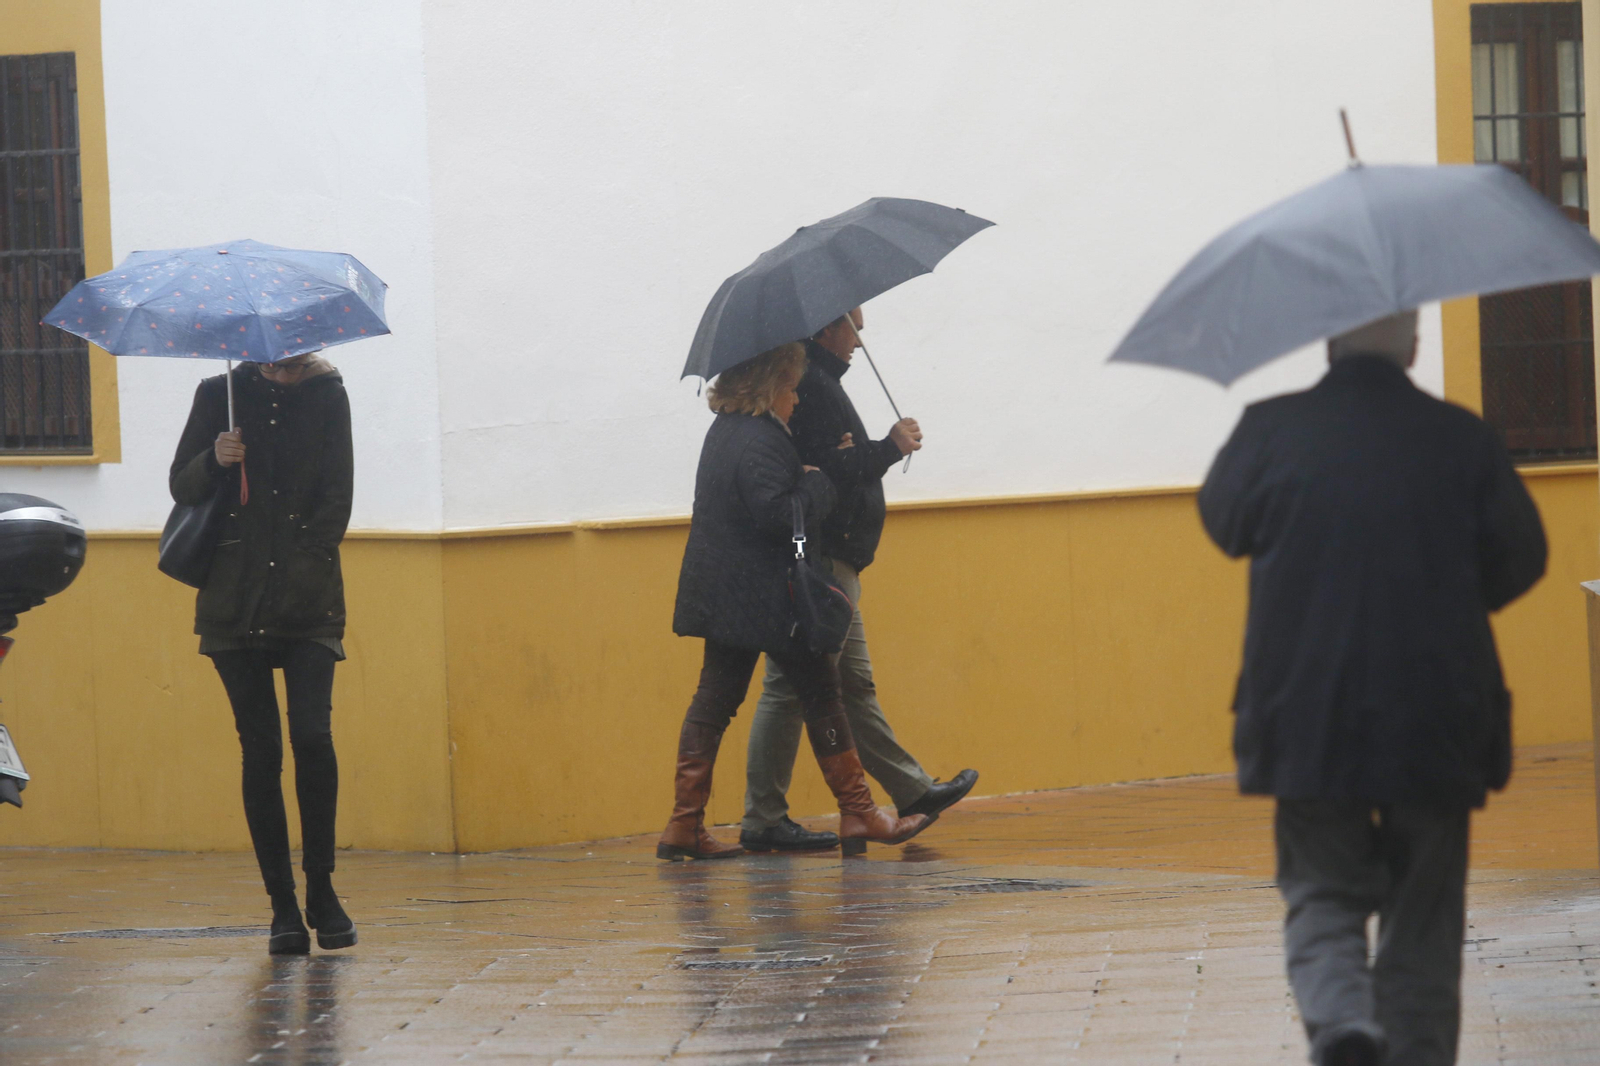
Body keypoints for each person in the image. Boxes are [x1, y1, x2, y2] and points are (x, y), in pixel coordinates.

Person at [1198, 311, 1547, 1066]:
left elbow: (1224, 523)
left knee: (1322, 890)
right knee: (1424, 917)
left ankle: (1343, 1021)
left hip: (1306, 712)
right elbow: (1522, 558)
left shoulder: (1269, 429)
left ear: (1328, 342)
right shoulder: (1462, 437)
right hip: (1439, 711)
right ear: (1414, 344)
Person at [664, 342, 932, 860]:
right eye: (789, 388)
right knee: (819, 693)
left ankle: (684, 825)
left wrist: (818, 463)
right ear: (768, 389)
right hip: (764, 598)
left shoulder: (731, 431)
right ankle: (860, 812)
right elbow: (778, 513)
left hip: (727, 593)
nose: (796, 399)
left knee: (716, 703)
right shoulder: (759, 439)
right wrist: (816, 482)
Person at [738, 308, 977, 853]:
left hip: (832, 558)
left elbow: (835, 465)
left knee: (847, 685)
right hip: (822, 560)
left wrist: (866, 453)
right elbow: (828, 473)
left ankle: (908, 791)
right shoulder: (813, 386)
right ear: (828, 328)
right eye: (855, 328)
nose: (861, 341)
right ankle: (767, 816)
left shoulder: (816, 382)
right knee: (788, 690)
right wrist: (889, 447)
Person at [169, 351, 358, 956]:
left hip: (308, 601)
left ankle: (322, 892)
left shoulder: (329, 396)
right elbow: (182, 483)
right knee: (261, 748)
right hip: (234, 597)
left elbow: (337, 496)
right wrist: (213, 459)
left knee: (312, 737)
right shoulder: (218, 394)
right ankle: (281, 908)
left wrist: (305, 567)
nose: (283, 358)